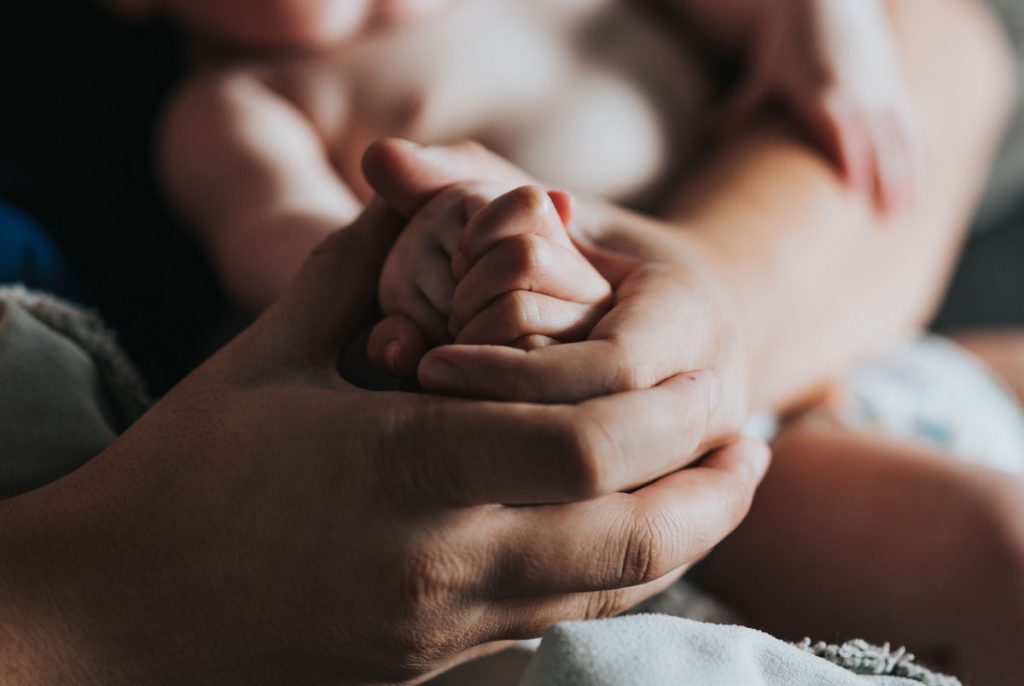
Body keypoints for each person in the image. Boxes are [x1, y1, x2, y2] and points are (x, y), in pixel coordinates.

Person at [0, 199, 770, 684]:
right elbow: (297, 246)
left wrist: (680, 280)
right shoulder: (235, 105)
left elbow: (865, 176)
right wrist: (428, 259)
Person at [151, 0, 917, 313]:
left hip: (777, 328)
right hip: (555, 385)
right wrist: (407, 265)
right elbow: (293, 250)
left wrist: (824, 21)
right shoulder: (238, 102)